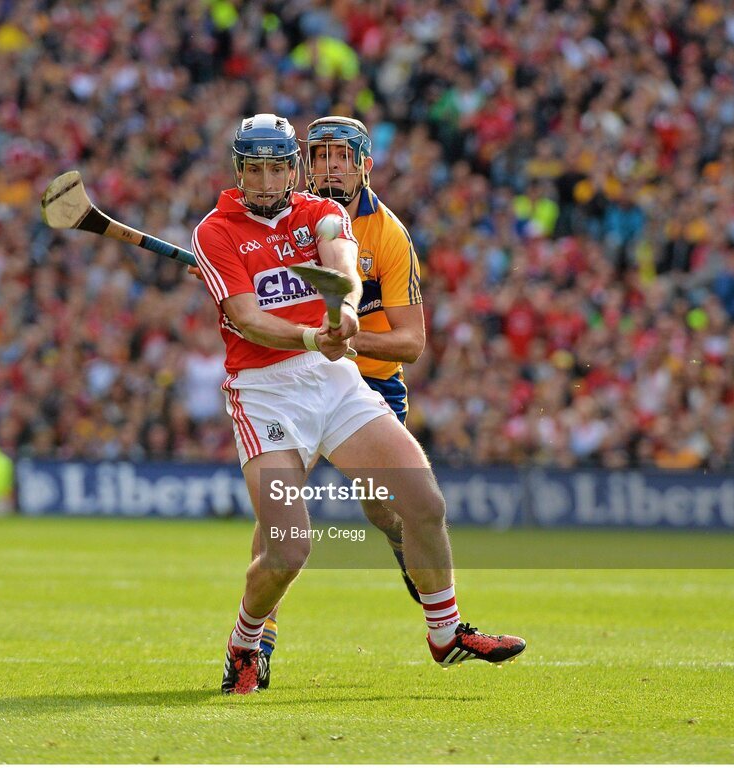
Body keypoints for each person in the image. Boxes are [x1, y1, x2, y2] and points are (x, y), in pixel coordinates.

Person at [191, 113, 525, 695]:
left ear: (291, 168)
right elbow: (245, 318)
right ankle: (246, 643)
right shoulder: (215, 231)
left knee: (422, 501)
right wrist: (305, 336)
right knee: (289, 548)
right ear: (239, 170)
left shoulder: (320, 212)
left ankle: (444, 635)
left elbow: (341, 256)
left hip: (335, 379)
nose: (267, 180)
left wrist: (344, 312)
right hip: (265, 392)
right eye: (255, 168)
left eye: (277, 167)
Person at [257, 116, 427, 666]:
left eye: (342, 158)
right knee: (277, 509)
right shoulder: (287, 218)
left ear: (364, 165)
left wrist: (349, 348)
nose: (330, 168)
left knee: (384, 512)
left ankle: (404, 548)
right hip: (296, 383)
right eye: (320, 157)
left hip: (369, 386)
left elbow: (412, 342)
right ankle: (259, 637)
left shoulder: (388, 234)